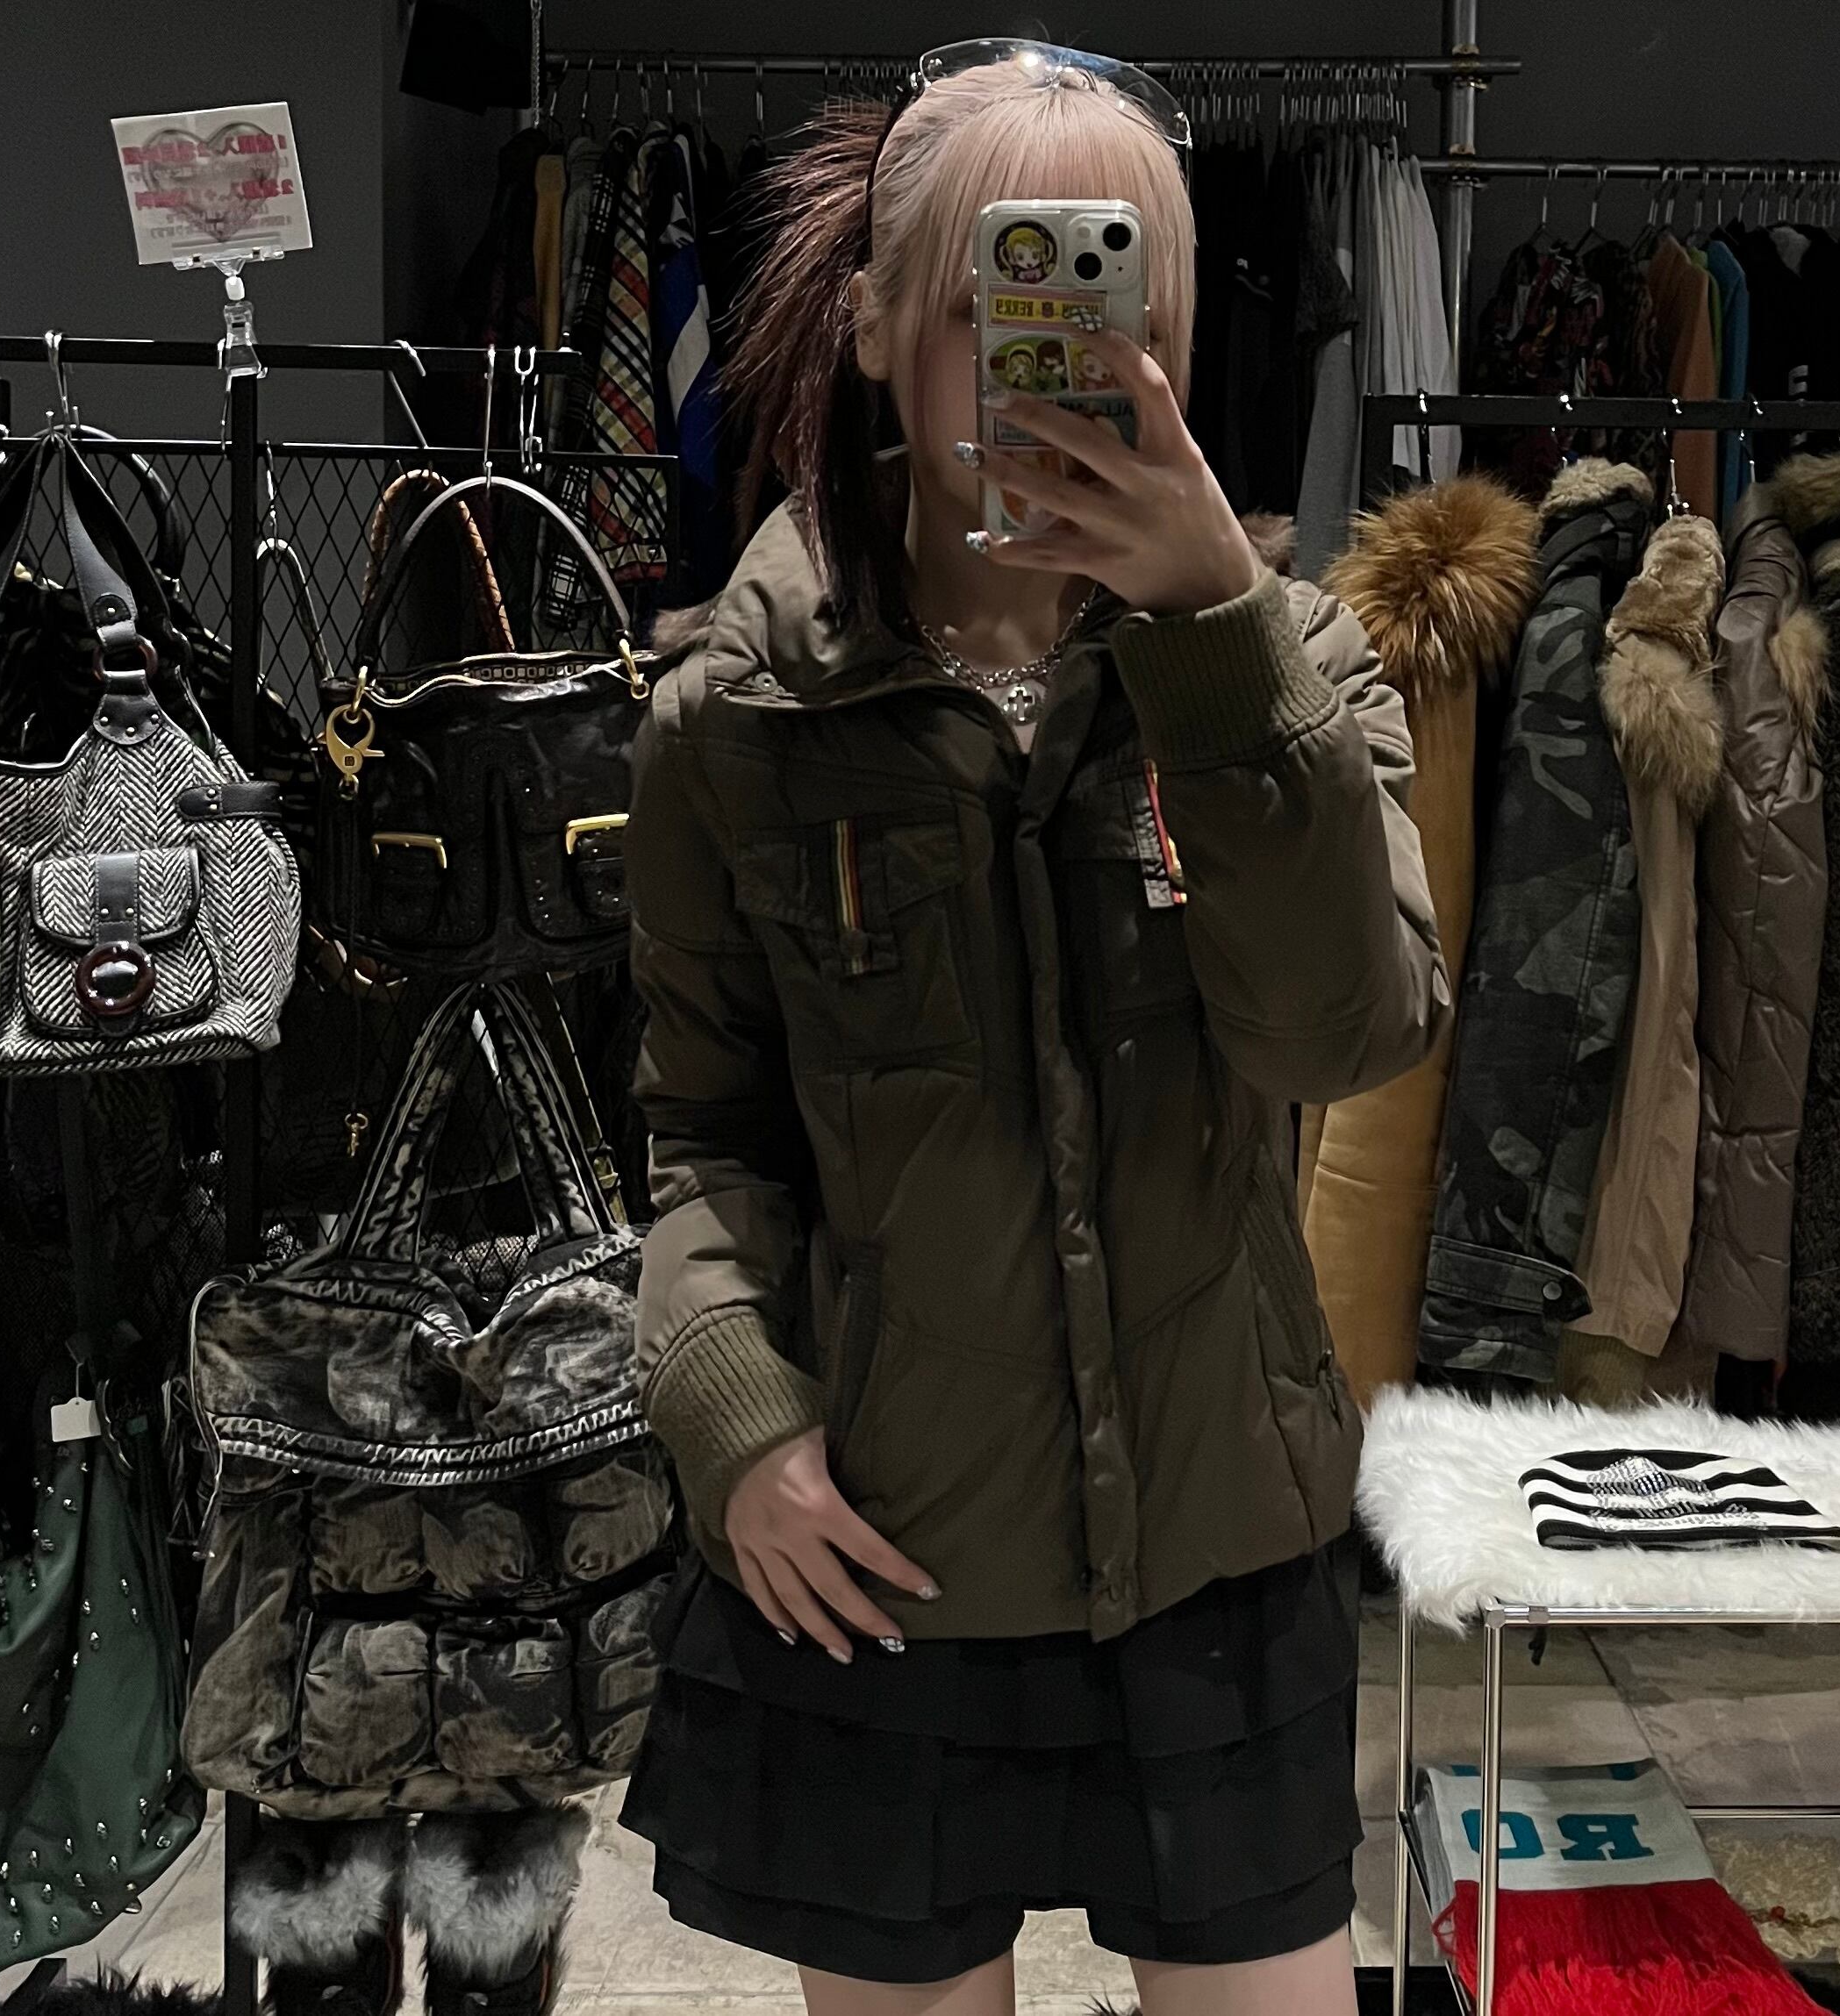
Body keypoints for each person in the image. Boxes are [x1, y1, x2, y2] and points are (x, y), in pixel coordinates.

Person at [619, 39, 1448, 2016]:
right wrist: (733, 1415)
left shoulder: (1297, 659)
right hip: (883, 1542)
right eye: (1001, 303)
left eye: (1111, 304)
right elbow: (703, 1129)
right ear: (877, 322)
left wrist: (1214, 639)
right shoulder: (736, 720)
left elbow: (1345, 1033)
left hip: (1221, 1545)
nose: (1058, 364)